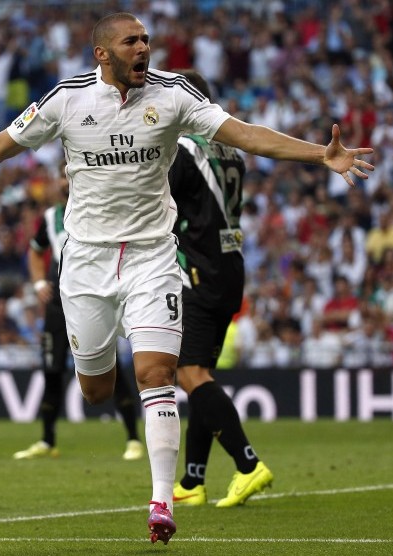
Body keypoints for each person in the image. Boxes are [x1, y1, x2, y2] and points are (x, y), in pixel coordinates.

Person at [0, 13, 372, 544]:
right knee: (97, 391)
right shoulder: (66, 100)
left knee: (157, 374)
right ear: (102, 53)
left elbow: (242, 133)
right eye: (131, 41)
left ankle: (161, 501)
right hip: (85, 263)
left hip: (153, 257)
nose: (144, 48)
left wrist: (320, 154)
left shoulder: (173, 95)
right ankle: (129, 423)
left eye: (146, 40)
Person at [166, 70, 273, 509]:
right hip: (230, 268)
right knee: (199, 377)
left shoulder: (184, 152)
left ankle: (248, 465)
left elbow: (159, 206)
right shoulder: (231, 150)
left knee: (188, 374)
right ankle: (192, 480)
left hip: (198, 271)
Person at [13, 175, 144, 462]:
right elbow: (36, 251)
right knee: (51, 370)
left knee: (111, 367)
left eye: (67, 175)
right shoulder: (50, 217)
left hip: (94, 297)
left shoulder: (97, 209)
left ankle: (133, 438)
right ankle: (47, 440)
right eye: (59, 176)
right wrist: (37, 283)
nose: (63, 182)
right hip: (59, 304)